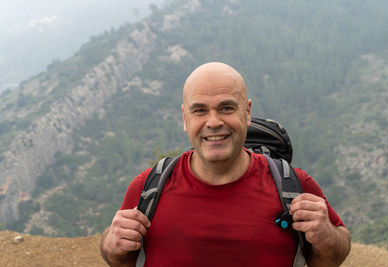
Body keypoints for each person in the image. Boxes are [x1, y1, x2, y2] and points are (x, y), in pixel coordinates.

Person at [100, 62, 351, 266]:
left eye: (226, 108)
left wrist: (327, 235)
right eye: (199, 110)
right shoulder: (149, 186)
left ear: (247, 112)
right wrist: (111, 243)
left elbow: (333, 255)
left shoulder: (293, 186)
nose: (213, 122)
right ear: (184, 118)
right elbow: (119, 258)